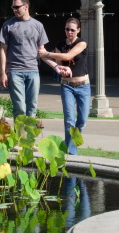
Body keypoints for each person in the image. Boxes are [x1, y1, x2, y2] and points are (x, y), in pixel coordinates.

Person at [0, 0, 70, 119]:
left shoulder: (38, 25)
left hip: (33, 71)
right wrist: (2, 73)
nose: (14, 10)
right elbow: (3, 50)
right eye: (13, 7)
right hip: (15, 71)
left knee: (32, 107)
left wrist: (56, 67)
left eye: (17, 7)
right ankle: (19, 136)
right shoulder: (8, 25)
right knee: (19, 107)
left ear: (26, 6)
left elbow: (42, 52)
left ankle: (28, 137)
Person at [39, 17, 90, 155]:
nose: (69, 32)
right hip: (67, 85)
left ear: (78, 30)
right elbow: (59, 64)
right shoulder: (60, 44)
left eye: (72, 30)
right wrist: (61, 69)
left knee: (83, 120)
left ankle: (68, 144)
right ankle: (72, 152)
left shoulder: (82, 43)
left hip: (83, 85)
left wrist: (47, 53)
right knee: (69, 120)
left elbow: (68, 56)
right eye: (67, 29)